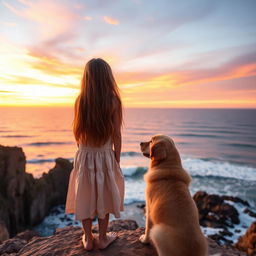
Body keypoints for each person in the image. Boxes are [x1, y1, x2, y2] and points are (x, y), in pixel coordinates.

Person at [65, 58, 124, 251]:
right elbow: (116, 134)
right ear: (107, 77)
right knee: (104, 196)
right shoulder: (113, 100)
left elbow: (77, 131)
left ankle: (89, 239)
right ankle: (103, 238)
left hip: (84, 154)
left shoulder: (80, 100)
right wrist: (116, 159)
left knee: (85, 194)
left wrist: (83, 152)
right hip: (105, 155)